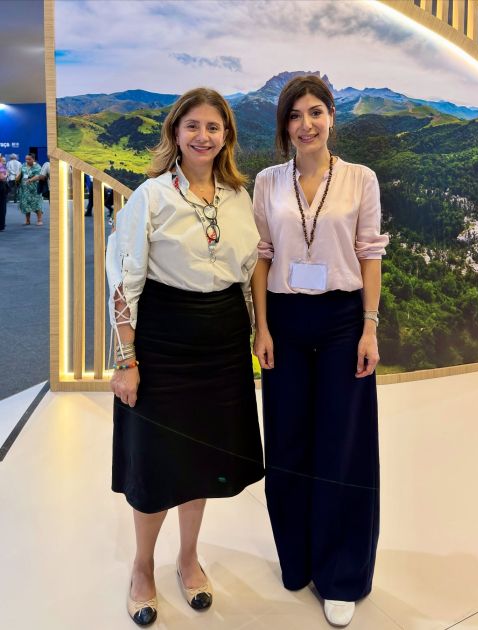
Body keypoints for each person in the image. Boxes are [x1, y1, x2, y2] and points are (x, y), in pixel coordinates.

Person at [105, 87, 264, 627]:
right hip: (163, 342)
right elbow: (125, 282)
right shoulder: (150, 197)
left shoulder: (238, 197)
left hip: (222, 343)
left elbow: (249, 272)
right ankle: (142, 567)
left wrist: (256, 334)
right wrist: (126, 360)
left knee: (202, 460)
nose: (203, 136)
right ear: (175, 132)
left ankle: (188, 558)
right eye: (192, 125)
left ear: (227, 137)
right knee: (153, 462)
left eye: (213, 127)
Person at [251, 75, 389, 627]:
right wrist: (261, 326)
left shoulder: (360, 178)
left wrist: (369, 328)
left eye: (315, 112)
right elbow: (262, 255)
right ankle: (299, 558)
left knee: (343, 446)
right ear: (284, 125)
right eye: (294, 115)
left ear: (332, 116)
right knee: (287, 443)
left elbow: (370, 255)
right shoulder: (268, 181)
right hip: (284, 320)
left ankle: (341, 575)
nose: (305, 124)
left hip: (341, 321)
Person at [17, 154, 44, 225]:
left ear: (33, 159)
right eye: (26, 159)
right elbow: (20, 174)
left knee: (37, 204)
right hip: (25, 189)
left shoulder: (37, 166)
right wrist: (17, 177)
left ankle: (39, 220)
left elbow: (38, 176)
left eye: (29, 159)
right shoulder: (23, 165)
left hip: (35, 189)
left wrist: (30, 180)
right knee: (26, 204)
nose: (27, 161)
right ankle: (27, 220)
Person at [0, 158, 7, 231]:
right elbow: (2, 177)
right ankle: (1, 225)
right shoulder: (0, 165)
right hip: (1, 186)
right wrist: (6, 174)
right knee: (2, 206)